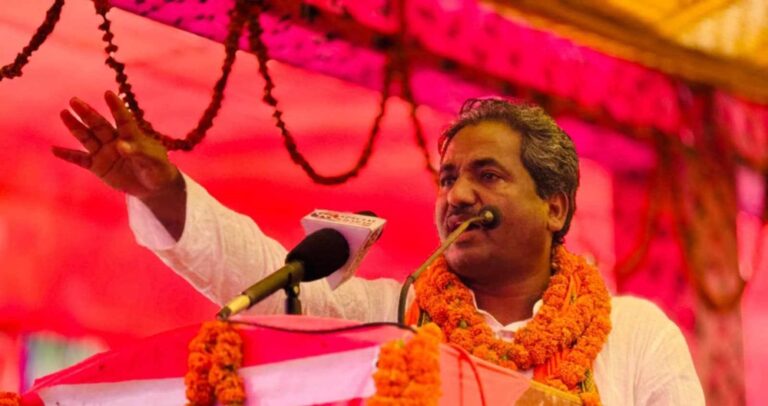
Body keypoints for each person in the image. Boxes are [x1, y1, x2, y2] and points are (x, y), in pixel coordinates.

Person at [52, 91, 704, 404]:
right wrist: (165, 192)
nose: (458, 195)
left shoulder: (635, 334)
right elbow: (269, 280)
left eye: (488, 175)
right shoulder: (394, 316)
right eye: (448, 179)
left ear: (554, 207)